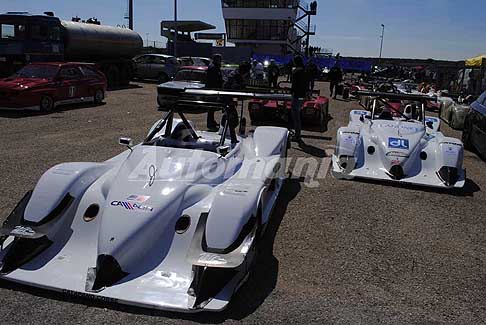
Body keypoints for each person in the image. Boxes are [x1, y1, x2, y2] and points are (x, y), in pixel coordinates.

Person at [222, 61, 252, 145]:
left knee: (231, 119)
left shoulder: (235, 74)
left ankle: (232, 137)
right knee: (233, 120)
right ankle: (232, 139)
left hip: (227, 97)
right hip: (226, 98)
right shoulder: (236, 76)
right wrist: (233, 100)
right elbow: (235, 89)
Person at [290, 55, 308, 142]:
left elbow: (294, 84)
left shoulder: (296, 71)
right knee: (298, 115)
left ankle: (297, 136)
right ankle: (298, 134)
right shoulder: (304, 70)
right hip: (302, 95)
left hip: (297, 95)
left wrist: (291, 92)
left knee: (296, 116)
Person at [205, 54, 223, 131]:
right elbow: (213, 80)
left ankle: (212, 121)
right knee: (211, 107)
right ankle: (210, 123)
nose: (220, 61)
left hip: (214, 89)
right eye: (219, 59)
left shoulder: (215, 67)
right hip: (212, 89)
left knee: (212, 107)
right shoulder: (213, 67)